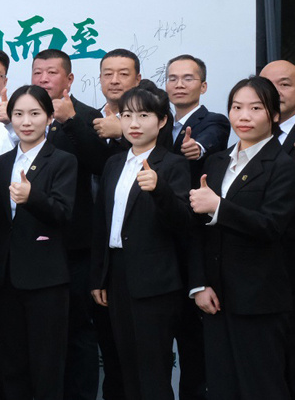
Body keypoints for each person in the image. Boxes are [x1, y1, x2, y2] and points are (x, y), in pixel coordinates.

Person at [188, 75, 295, 400]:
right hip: (214, 297)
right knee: (221, 388)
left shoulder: (284, 166)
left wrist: (219, 207)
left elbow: (271, 226)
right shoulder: (216, 161)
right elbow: (197, 230)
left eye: (255, 108)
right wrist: (199, 284)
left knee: (261, 388)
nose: (244, 116)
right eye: (237, 107)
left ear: (274, 115)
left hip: (258, 300)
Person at [92, 81, 192, 400]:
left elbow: (183, 222)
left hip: (155, 281)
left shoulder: (173, 165)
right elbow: (102, 223)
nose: (134, 123)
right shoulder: (113, 163)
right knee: (125, 366)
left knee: (153, 370)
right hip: (117, 275)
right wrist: (100, 276)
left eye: (144, 115)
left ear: (162, 121)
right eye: (127, 115)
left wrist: (160, 189)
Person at [29, 48, 108, 400]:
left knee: (78, 331)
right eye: (38, 72)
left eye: (52, 72)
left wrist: (71, 120)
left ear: (69, 79)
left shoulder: (88, 116)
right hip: (31, 245)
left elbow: (100, 165)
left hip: (75, 245)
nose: (44, 79)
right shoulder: (22, 115)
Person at [0, 85, 77, 400]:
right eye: (18, 114)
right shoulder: (1, 163)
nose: (26, 121)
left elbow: (63, 213)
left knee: (46, 364)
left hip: (45, 279)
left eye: (35, 113)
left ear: (50, 117)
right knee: (10, 364)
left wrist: (32, 197)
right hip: (5, 278)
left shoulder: (63, 160)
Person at [163, 54, 229, 400]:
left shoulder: (213, 121)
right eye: (172, 78)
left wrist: (196, 146)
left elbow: (210, 138)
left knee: (194, 348)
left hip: (196, 244)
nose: (179, 85)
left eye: (188, 78)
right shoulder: (158, 123)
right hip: (161, 247)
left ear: (203, 86)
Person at [259, 60, 295, 400]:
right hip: (259, 274)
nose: (275, 92)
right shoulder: (249, 130)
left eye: (285, 84)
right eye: (268, 85)